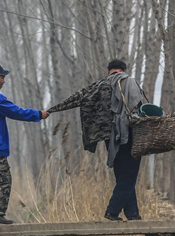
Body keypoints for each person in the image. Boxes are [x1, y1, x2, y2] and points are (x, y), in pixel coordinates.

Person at [47, 59, 144, 221]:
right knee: (129, 174)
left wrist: (51, 110)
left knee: (122, 175)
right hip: (128, 134)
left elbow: (76, 99)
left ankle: (133, 214)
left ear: (109, 71)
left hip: (110, 139)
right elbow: (137, 106)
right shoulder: (129, 81)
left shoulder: (99, 85)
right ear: (123, 70)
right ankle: (112, 211)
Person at [0, 64, 49, 226]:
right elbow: (16, 112)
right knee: (3, 180)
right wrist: (38, 114)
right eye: (2, 77)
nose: (4, 81)